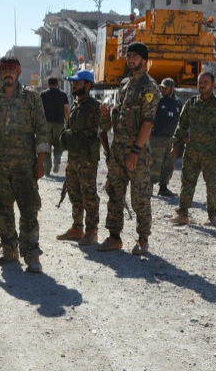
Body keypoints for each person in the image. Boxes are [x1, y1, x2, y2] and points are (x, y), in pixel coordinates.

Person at [0, 55, 50, 273]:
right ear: (0, 73)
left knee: (29, 210)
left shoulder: (31, 98)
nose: (7, 73)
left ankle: (31, 255)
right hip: (0, 167)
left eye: (11, 70)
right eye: (4, 70)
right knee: (2, 210)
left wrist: (40, 162)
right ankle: (9, 251)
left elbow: (42, 130)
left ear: (19, 72)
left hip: (25, 166)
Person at [98, 41, 158, 256]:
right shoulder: (124, 84)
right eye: (128, 56)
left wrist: (135, 151)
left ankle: (143, 239)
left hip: (136, 152)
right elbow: (120, 118)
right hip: (118, 150)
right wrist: (106, 116)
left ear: (144, 60)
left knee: (140, 195)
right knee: (114, 192)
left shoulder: (149, 87)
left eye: (135, 56)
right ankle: (114, 237)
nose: (130, 59)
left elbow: (148, 123)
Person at [170, 71, 216, 227]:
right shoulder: (191, 104)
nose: (202, 85)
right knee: (187, 182)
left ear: (213, 85)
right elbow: (181, 125)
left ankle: (212, 215)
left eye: (206, 82)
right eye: (200, 82)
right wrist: (175, 144)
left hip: (212, 154)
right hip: (192, 151)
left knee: (212, 184)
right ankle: (183, 213)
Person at [55, 70, 104, 246]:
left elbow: (103, 129)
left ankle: (92, 231)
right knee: (74, 192)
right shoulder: (76, 104)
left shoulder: (94, 106)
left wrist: (107, 152)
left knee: (89, 194)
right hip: (74, 157)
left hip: (86, 159)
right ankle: (77, 228)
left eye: (78, 82)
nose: (74, 85)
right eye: (74, 82)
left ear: (88, 85)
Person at [149, 77, 183, 197]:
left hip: (171, 139)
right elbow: (149, 116)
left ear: (172, 89)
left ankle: (163, 187)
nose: (163, 90)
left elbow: (182, 120)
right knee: (154, 163)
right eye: (162, 88)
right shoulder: (157, 101)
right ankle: (148, 188)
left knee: (168, 164)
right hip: (157, 138)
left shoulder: (178, 102)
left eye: (166, 88)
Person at [40, 77, 69, 174]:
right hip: (59, 123)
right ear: (57, 84)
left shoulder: (43, 94)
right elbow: (66, 110)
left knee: (46, 145)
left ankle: (47, 168)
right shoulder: (63, 95)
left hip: (46, 123)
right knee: (58, 144)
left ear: (48, 84)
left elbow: (39, 110)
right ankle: (57, 160)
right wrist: (67, 123)